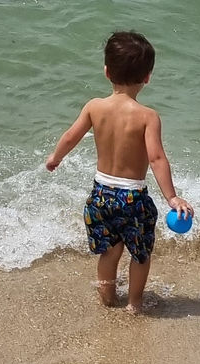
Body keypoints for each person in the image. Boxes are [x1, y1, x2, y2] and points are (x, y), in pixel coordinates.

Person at [46, 30, 192, 313]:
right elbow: (157, 158)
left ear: (106, 71)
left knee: (109, 252)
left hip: (101, 196)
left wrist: (56, 157)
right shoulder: (148, 116)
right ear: (147, 77)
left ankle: (108, 298)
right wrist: (172, 197)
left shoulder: (94, 107)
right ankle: (134, 304)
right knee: (140, 254)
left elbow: (70, 136)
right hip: (133, 199)